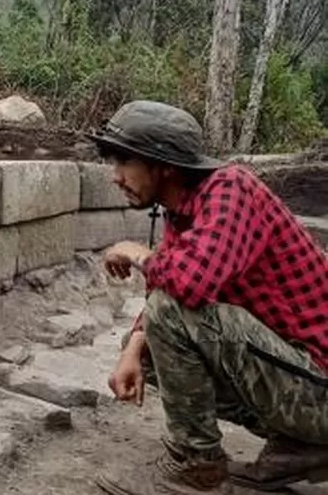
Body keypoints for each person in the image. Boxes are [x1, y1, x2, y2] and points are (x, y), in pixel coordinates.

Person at [87, 100, 328, 495]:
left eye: (124, 162)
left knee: (168, 314)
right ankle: (301, 445)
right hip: (302, 384)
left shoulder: (232, 189)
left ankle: (195, 470)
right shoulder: (184, 209)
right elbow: (166, 288)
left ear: (163, 165)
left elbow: (185, 288)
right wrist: (132, 349)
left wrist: (134, 252)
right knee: (147, 347)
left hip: (318, 387)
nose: (116, 177)